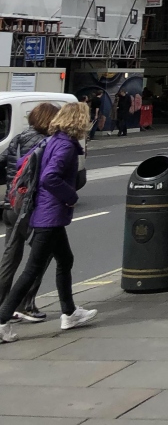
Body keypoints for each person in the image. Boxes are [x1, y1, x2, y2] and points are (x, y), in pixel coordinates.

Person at [0, 102, 97, 343]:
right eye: (86, 119)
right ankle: (1, 321)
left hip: (46, 213)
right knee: (32, 269)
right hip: (49, 215)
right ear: (79, 121)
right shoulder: (65, 146)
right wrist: (71, 196)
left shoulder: (53, 140)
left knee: (65, 259)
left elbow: (23, 163)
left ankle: (70, 313)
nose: (88, 124)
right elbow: (49, 178)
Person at [0, 101, 59, 324]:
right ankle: (25, 303)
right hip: (31, 208)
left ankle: (2, 306)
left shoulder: (18, 139)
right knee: (41, 255)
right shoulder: (46, 142)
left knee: (10, 258)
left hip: (11, 204)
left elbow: (2, 162)